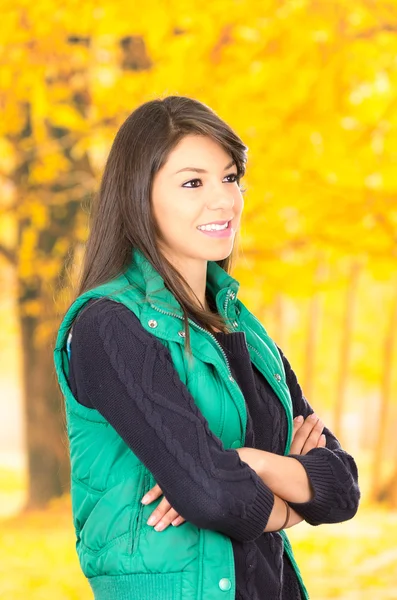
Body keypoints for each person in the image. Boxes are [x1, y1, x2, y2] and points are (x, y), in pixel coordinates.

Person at [53, 95, 361, 600]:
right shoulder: (108, 325)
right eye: (193, 182)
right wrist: (289, 498)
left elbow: (342, 487)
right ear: (138, 195)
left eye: (230, 176)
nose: (224, 200)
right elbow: (212, 495)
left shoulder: (242, 330)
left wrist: (248, 462)